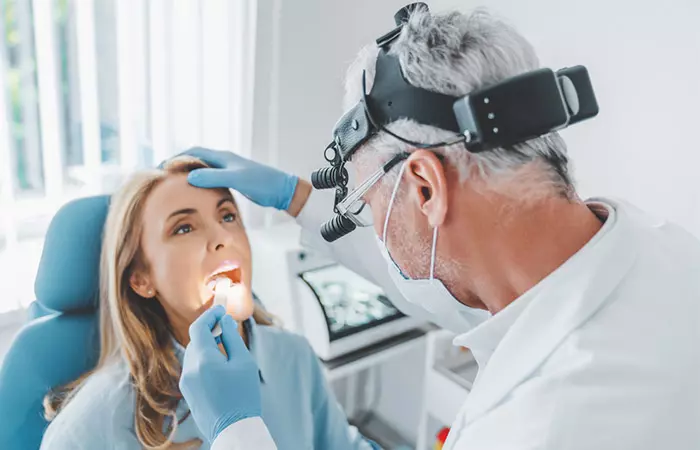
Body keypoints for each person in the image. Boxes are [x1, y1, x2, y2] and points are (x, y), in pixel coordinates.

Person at [176, 6, 700, 450]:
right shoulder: (662, 251)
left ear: (425, 186)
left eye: (365, 202)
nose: (374, 229)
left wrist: (237, 431)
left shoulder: (541, 427)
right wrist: (297, 199)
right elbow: (467, 288)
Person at [39, 157, 377, 450]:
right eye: (184, 228)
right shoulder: (96, 420)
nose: (223, 238)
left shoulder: (295, 357)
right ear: (142, 279)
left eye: (228, 216)